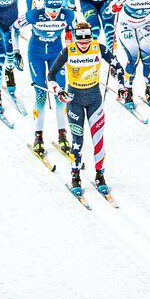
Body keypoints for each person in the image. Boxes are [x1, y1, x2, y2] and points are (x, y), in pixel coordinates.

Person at [49, 21, 111, 194]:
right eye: (80, 40)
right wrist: (59, 92)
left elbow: (116, 65)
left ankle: (100, 175)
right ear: (75, 38)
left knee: (98, 139)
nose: (84, 44)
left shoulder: (98, 47)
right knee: (77, 141)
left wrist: (122, 85)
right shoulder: (69, 51)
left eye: (87, 40)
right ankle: (75, 175)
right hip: (74, 100)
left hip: (94, 98)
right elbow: (51, 75)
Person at [24, 0, 75, 159]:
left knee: (61, 94)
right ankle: (38, 136)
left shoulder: (67, 15)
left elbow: (71, 29)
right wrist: (14, 51)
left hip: (56, 53)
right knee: (40, 95)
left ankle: (62, 135)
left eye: (57, 10)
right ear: (44, 7)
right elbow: (14, 28)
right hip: (36, 53)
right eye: (50, 10)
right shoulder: (34, 15)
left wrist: (70, 34)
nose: (54, 14)